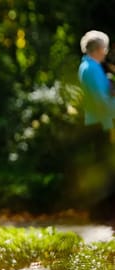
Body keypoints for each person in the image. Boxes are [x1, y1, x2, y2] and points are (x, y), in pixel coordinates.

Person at [77, 31, 115, 220]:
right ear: (98, 49)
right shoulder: (91, 68)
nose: (106, 52)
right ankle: (101, 214)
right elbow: (101, 100)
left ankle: (101, 213)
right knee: (103, 168)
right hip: (99, 123)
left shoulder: (90, 66)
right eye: (105, 48)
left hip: (98, 121)